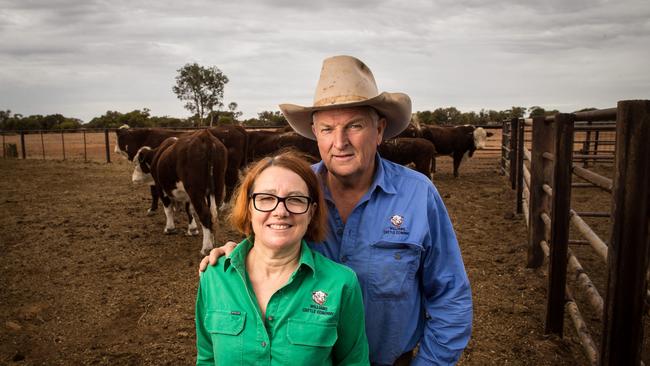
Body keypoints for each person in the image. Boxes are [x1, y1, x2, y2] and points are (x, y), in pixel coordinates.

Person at [200, 55, 473, 365]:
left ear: (379, 129)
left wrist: (429, 363)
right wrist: (234, 256)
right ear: (315, 133)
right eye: (328, 129)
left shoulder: (418, 194)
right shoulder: (292, 194)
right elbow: (264, 255)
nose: (339, 142)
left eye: (354, 126)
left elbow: (451, 295)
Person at [195, 151, 369, 365]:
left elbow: (354, 361)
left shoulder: (341, 284)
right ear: (249, 207)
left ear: (311, 212)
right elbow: (207, 358)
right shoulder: (214, 275)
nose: (280, 211)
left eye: (295, 200)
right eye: (266, 198)